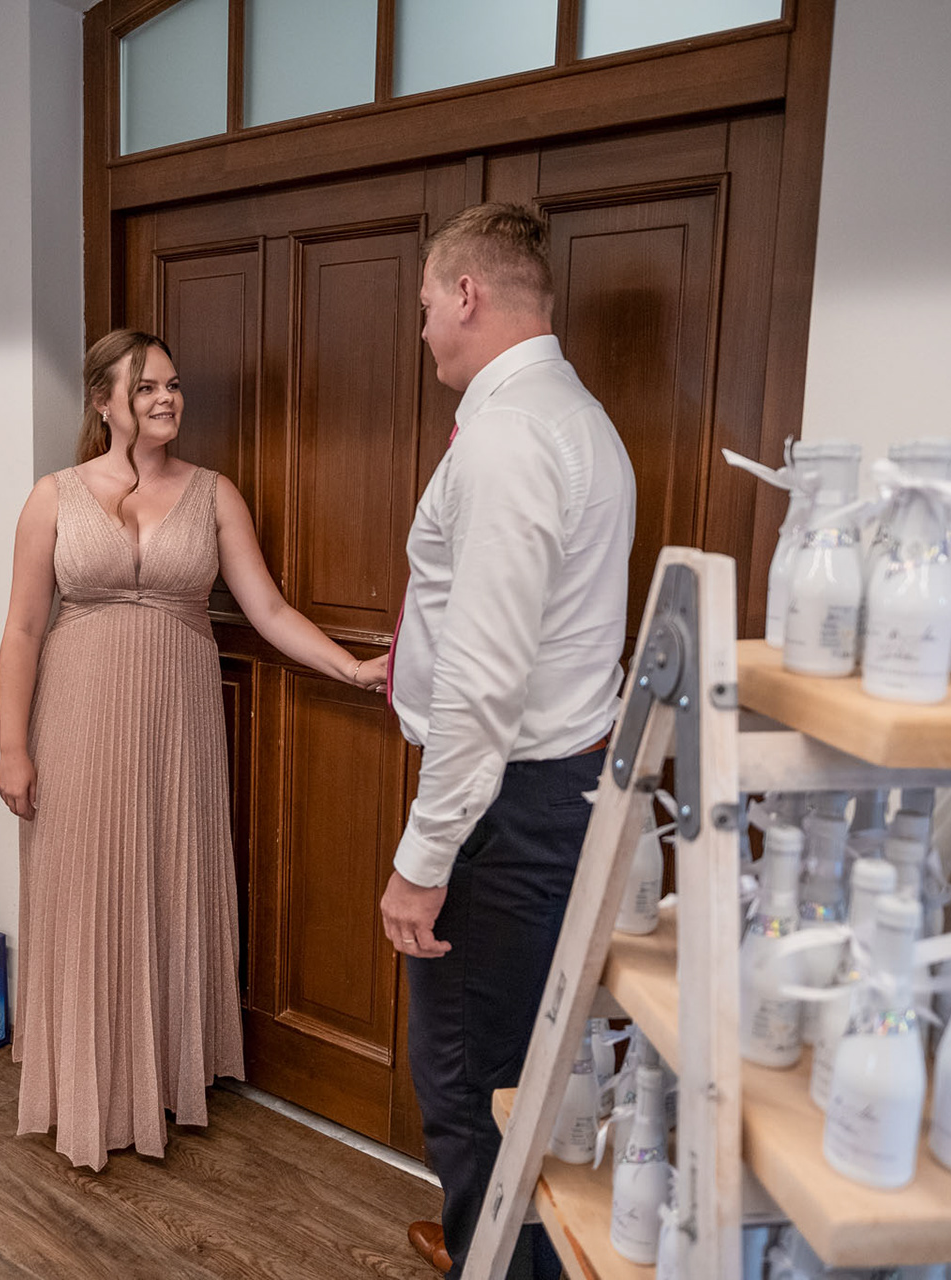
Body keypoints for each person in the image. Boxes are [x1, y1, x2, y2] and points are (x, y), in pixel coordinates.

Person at [0, 328, 384, 1171]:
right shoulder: (52, 497)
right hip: (77, 716)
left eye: (172, 384)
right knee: (86, 886)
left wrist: (353, 668)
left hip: (179, 724)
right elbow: (23, 629)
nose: (166, 399)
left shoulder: (214, 494)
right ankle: (90, 1089)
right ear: (103, 403)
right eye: (145, 388)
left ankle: (162, 1079)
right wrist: (12, 748)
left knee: (169, 879)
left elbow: (269, 611)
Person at [377, 204, 636, 1279]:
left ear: (467, 293)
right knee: (514, 1070)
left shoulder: (508, 436)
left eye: (426, 305)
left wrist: (422, 859)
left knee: (472, 1081)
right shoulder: (573, 415)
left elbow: (485, 684)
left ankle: (497, 1261)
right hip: (550, 785)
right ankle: (487, 1246)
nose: (423, 329)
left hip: (506, 807)